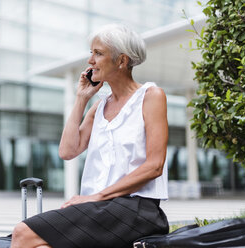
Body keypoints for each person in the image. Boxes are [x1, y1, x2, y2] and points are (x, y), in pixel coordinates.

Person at [10, 23, 169, 248]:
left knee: (22, 232)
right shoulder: (99, 106)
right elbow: (67, 151)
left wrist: (98, 196)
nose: (90, 60)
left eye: (98, 53)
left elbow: (155, 165)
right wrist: (81, 99)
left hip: (135, 209)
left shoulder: (151, 96)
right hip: (97, 209)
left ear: (122, 61)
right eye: (91, 53)